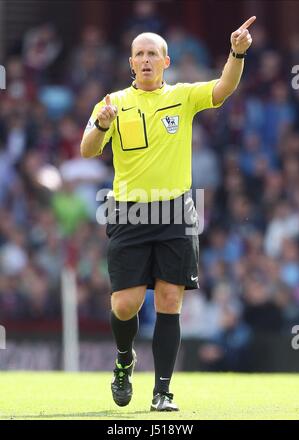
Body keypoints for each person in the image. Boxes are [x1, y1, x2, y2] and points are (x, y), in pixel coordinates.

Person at [80, 17, 256, 412]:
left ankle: (162, 391)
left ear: (166, 61)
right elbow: (87, 149)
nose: (145, 60)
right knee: (125, 305)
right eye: (139, 54)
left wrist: (237, 52)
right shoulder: (113, 103)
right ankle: (124, 359)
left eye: (152, 54)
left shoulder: (183, 95)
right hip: (128, 212)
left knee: (169, 298)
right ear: (130, 63)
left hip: (176, 210)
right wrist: (99, 125)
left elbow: (224, 88)